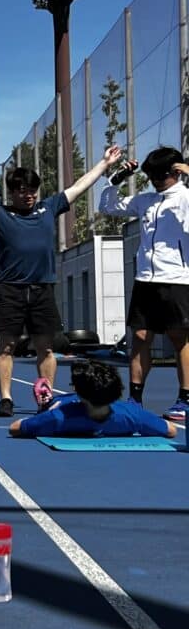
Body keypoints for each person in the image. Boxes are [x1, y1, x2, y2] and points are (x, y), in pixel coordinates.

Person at [0, 146, 121, 417]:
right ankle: (5, 399)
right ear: (12, 192)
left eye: (33, 191)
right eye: (23, 191)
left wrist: (104, 163)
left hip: (42, 289)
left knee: (46, 347)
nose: (29, 196)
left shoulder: (49, 208)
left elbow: (79, 186)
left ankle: (46, 396)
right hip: (10, 290)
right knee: (6, 347)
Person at [98, 146, 189, 422]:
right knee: (139, 338)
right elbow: (107, 206)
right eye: (151, 176)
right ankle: (135, 398)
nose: (156, 182)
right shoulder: (146, 200)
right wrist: (118, 178)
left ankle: (185, 399)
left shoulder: (186, 197)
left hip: (177, 279)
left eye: (161, 176)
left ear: (176, 172)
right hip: (145, 279)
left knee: (180, 338)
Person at [8, 360, 177, 438]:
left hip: (68, 408)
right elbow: (171, 430)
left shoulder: (58, 417)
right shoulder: (132, 414)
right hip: (108, 409)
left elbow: (15, 428)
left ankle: (47, 404)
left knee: (59, 403)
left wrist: (44, 416)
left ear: (82, 395)